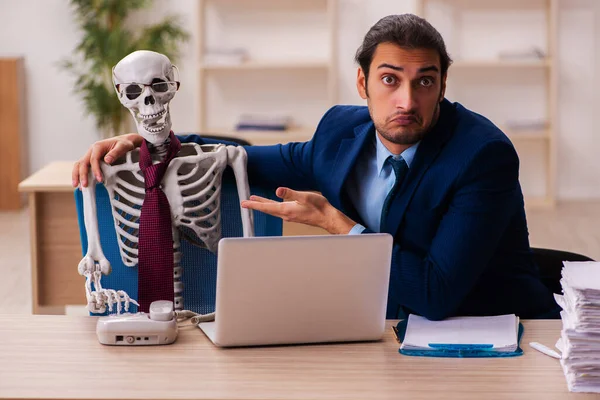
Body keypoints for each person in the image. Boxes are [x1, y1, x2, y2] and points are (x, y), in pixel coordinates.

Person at [72, 14, 560, 320]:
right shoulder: (339, 134)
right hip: (385, 329)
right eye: (390, 80)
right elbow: (248, 158)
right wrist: (156, 142)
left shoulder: (481, 156)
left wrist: (339, 226)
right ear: (362, 84)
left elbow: (435, 293)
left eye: (424, 81)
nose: (407, 100)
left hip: (492, 335)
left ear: (443, 85)